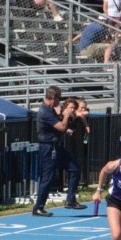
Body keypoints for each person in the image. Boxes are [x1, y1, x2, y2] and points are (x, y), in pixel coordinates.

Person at [33, 87, 86, 216]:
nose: (59, 101)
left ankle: (71, 200)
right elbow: (61, 126)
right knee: (48, 178)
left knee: (75, 169)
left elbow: (56, 127)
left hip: (57, 146)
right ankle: (38, 207)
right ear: (53, 98)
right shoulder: (45, 112)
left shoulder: (51, 110)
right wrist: (66, 115)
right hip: (49, 148)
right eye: (59, 98)